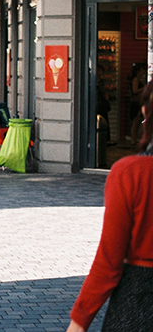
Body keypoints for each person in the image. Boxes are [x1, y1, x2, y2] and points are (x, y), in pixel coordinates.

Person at [67, 79, 153, 332]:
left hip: (140, 300)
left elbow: (109, 261)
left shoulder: (131, 174)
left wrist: (79, 321)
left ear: (146, 112)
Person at [129, 63, 146, 147]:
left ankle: (134, 139)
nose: (143, 72)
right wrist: (144, 88)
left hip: (137, 102)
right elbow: (135, 90)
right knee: (135, 122)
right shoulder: (136, 80)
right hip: (136, 103)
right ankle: (133, 139)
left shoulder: (138, 80)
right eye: (142, 70)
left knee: (136, 121)